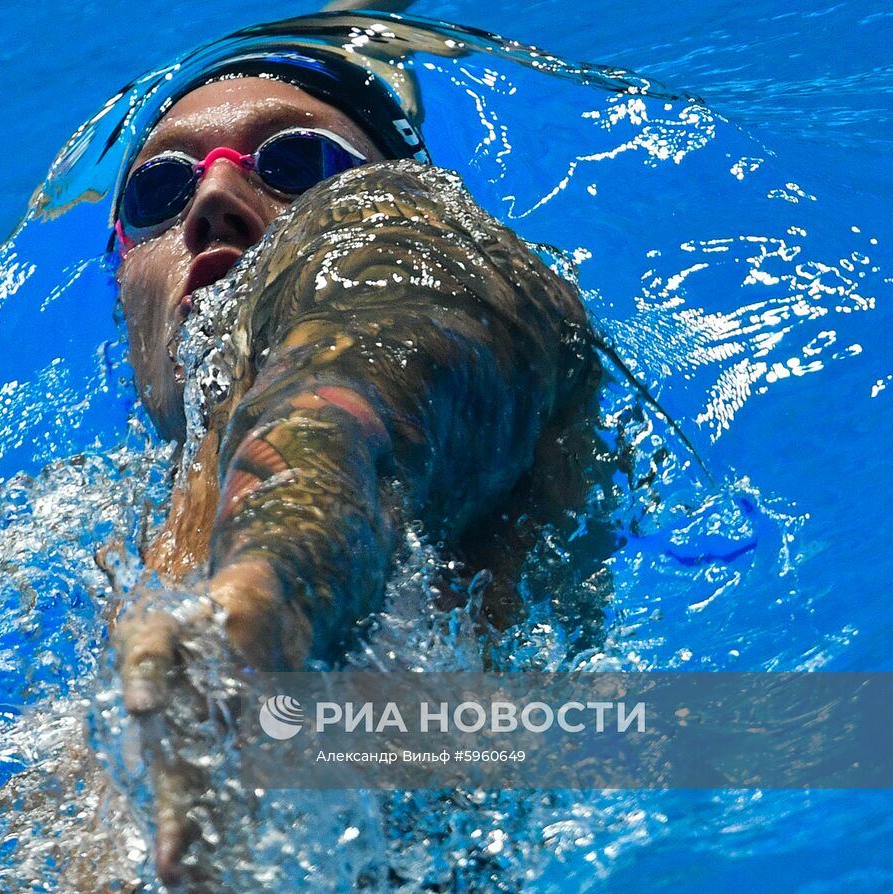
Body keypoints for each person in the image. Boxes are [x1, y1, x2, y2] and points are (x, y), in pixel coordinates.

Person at [105, 45, 605, 885]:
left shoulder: (400, 239)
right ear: (125, 284)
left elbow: (348, 401)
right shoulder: (105, 527)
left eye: (296, 162)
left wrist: (260, 608)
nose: (216, 196)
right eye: (160, 190)